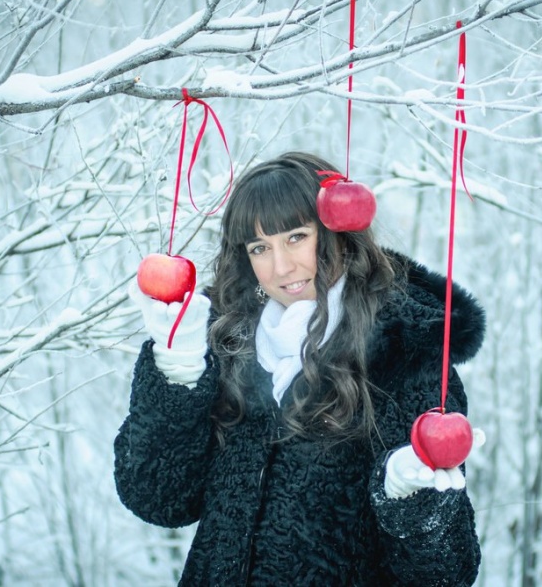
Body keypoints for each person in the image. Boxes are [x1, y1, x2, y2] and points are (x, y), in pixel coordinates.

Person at [114, 151, 486, 586]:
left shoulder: (403, 354)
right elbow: (159, 499)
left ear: (336, 232)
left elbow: (448, 574)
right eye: (260, 248)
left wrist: (409, 501)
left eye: (296, 237)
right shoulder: (225, 343)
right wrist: (178, 372)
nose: (281, 267)